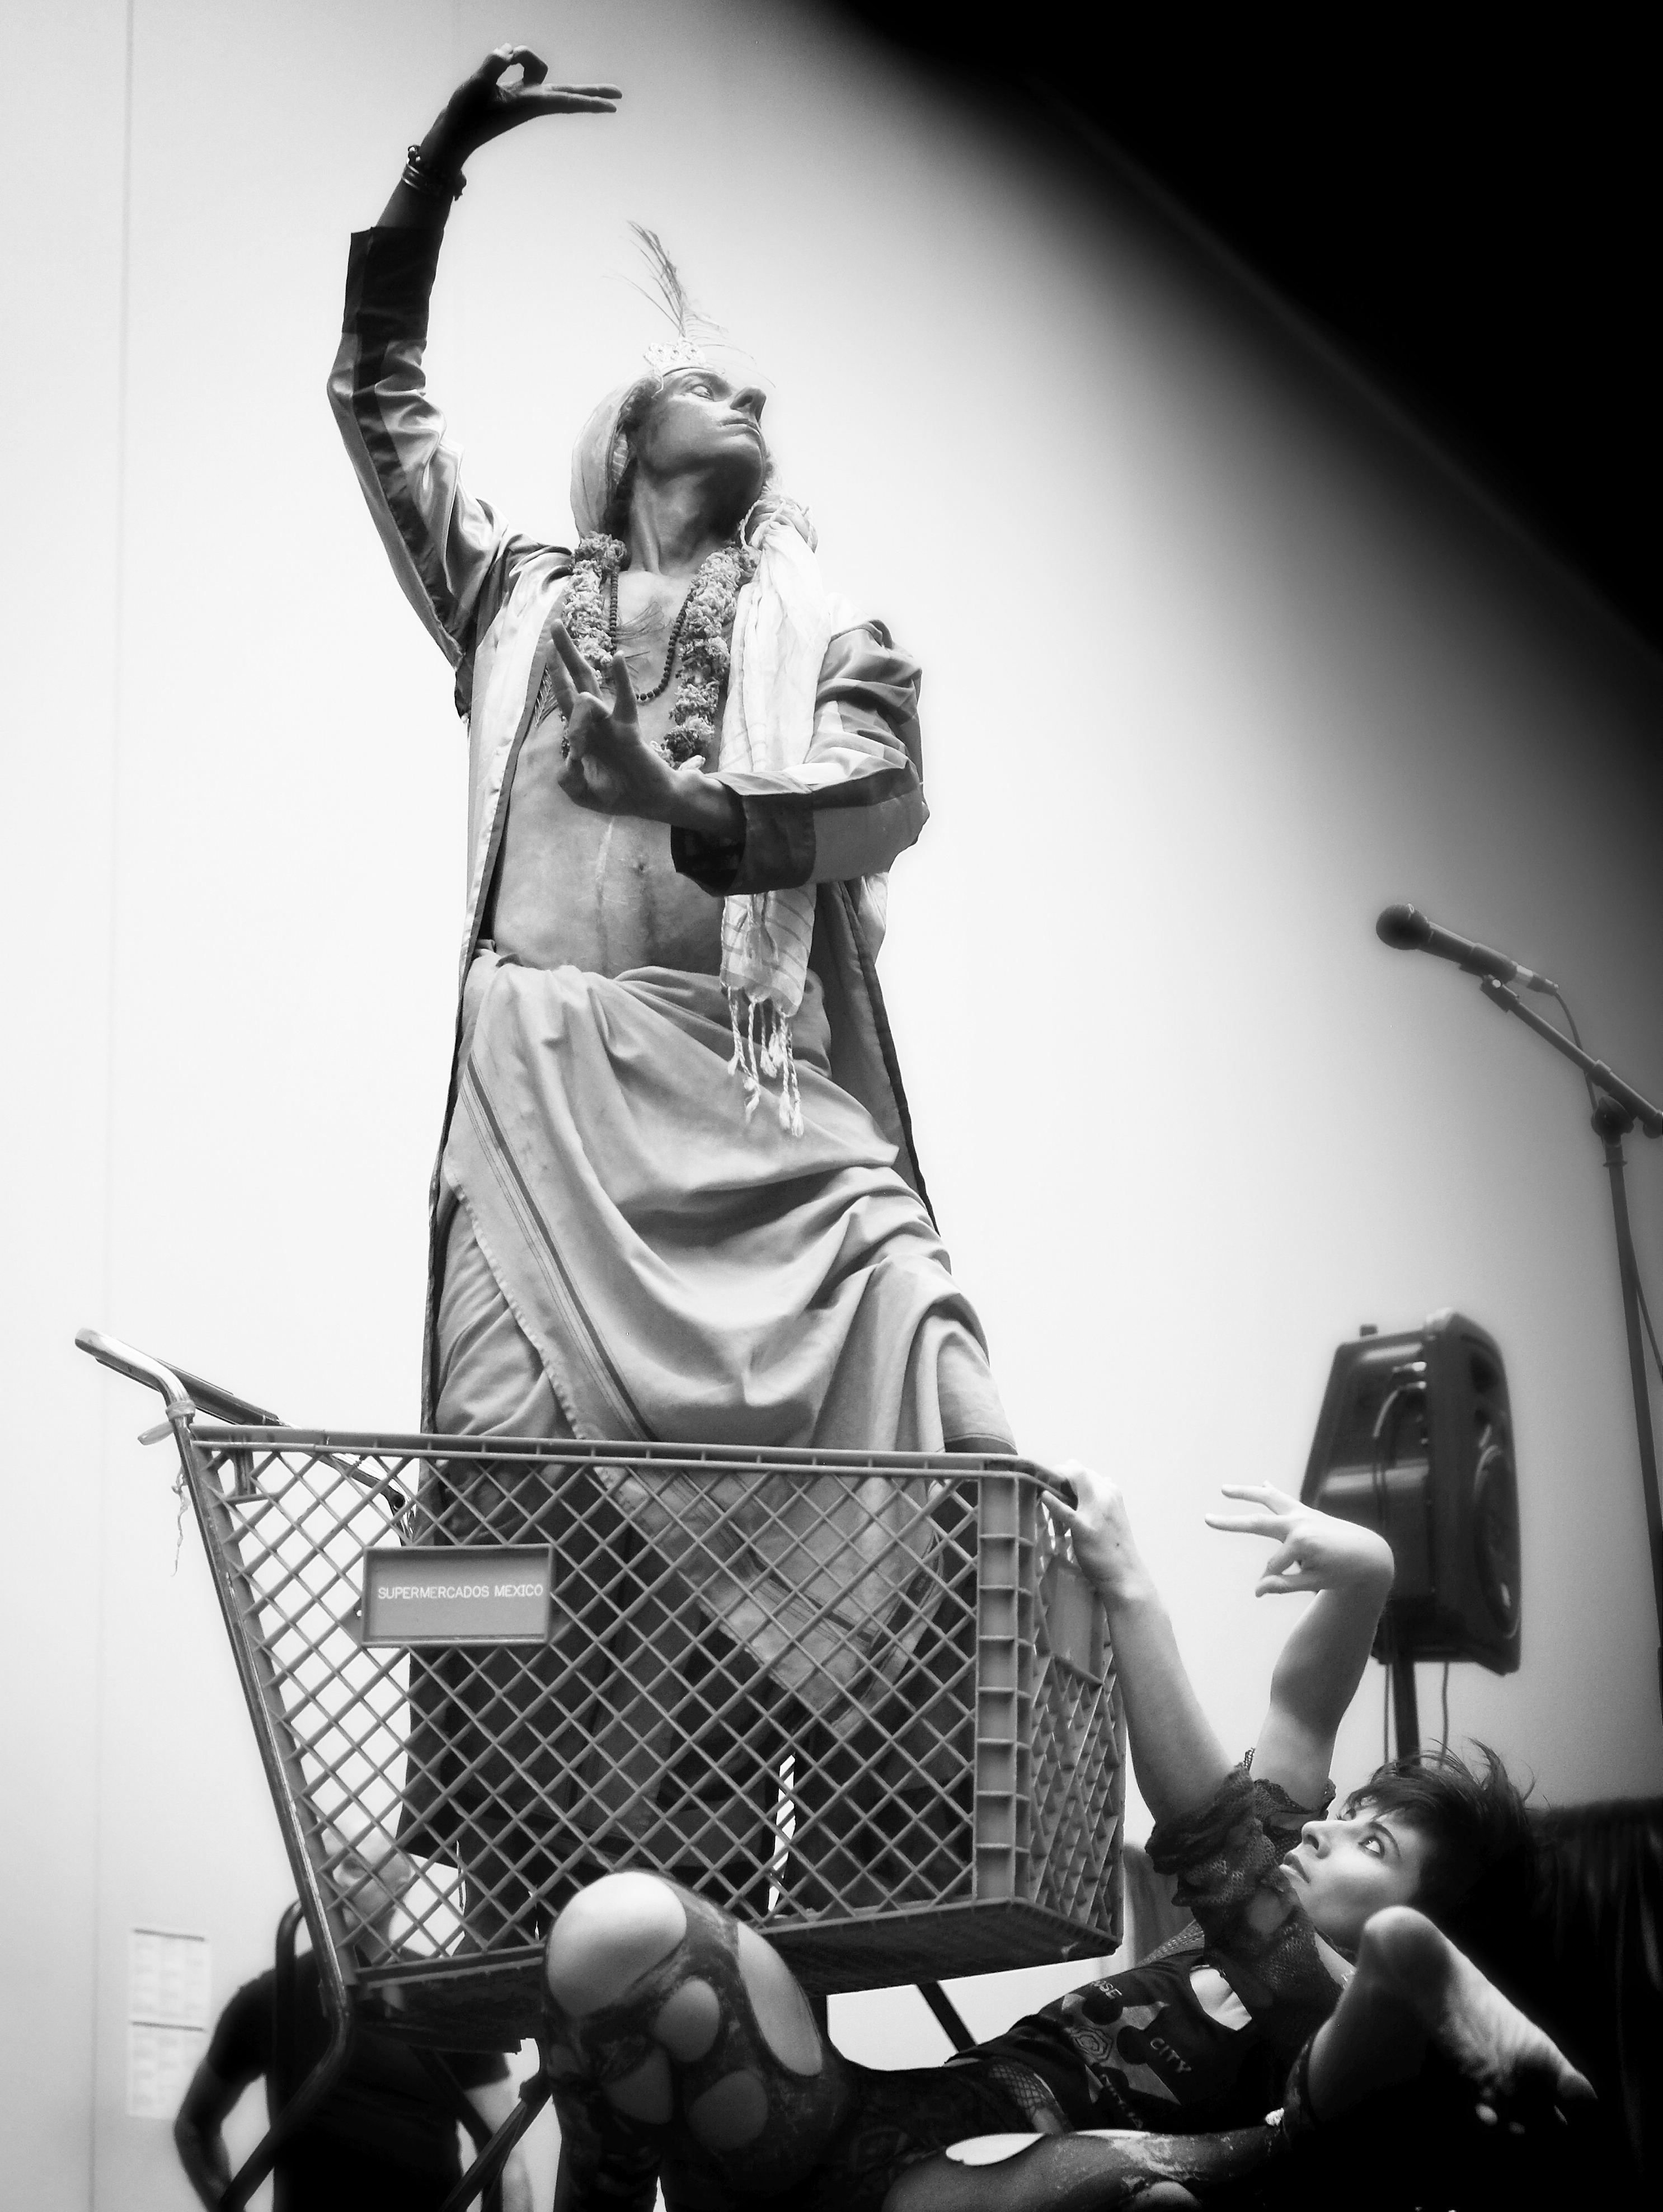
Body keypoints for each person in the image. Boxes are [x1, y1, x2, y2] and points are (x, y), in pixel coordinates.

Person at [331, 39, 1014, 1924]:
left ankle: (852, 1858)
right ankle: (525, 1874)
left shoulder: (832, 626)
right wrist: (434, 171)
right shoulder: (512, 600)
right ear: (629, 441)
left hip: (765, 1099)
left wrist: (688, 798)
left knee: (948, 1405)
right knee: (512, 1476)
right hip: (541, 1099)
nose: (758, 397)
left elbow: (878, 799)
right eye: (717, 384)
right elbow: (376, 401)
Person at [531, 1476, 1592, 2211]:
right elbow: (1304, 1707)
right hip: (865, 2126)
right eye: (1348, 1809)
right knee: (614, 1927)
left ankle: (1410, 1981)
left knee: (1255, 2073)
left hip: (1014, 2184)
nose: (1324, 1824)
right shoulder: (1270, 1886)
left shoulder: (1306, 1981)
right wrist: (1366, 1570)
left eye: (1372, 1842)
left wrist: (1128, 1582)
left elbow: (1209, 1824)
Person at [174, 1832, 533, 2212]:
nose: (333, 1880)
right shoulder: (267, 1999)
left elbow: (505, 2157)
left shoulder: (446, 2001)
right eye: (325, 1866)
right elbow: (193, 2127)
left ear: (401, 1886)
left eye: (354, 1866)